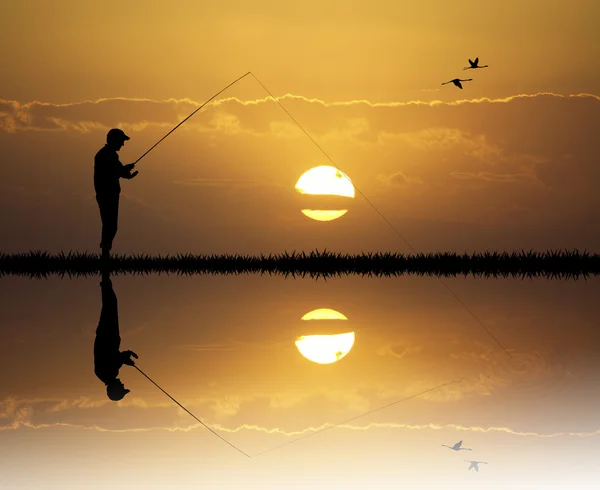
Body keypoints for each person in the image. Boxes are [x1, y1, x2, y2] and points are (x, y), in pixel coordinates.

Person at [94, 128, 138, 259]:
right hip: (108, 195)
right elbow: (116, 171)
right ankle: (105, 255)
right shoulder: (110, 155)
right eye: (121, 141)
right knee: (111, 225)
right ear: (114, 140)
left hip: (104, 194)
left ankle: (105, 254)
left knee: (109, 224)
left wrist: (126, 171)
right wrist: (126, 172)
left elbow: (117, 171)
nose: (122, 144)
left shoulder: (105, 154)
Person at [94, 270, 139, 401]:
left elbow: (111, 356)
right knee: (111, 304)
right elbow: (117, 357)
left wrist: (124, 359)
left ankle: (105, 278)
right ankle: (105, 281)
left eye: (122, 388)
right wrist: (127, 355)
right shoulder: (110, 373)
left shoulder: (105, 373)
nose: (123, 384)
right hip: (110, 333)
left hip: (106, 333)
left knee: (110, 304)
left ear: (114, 388)